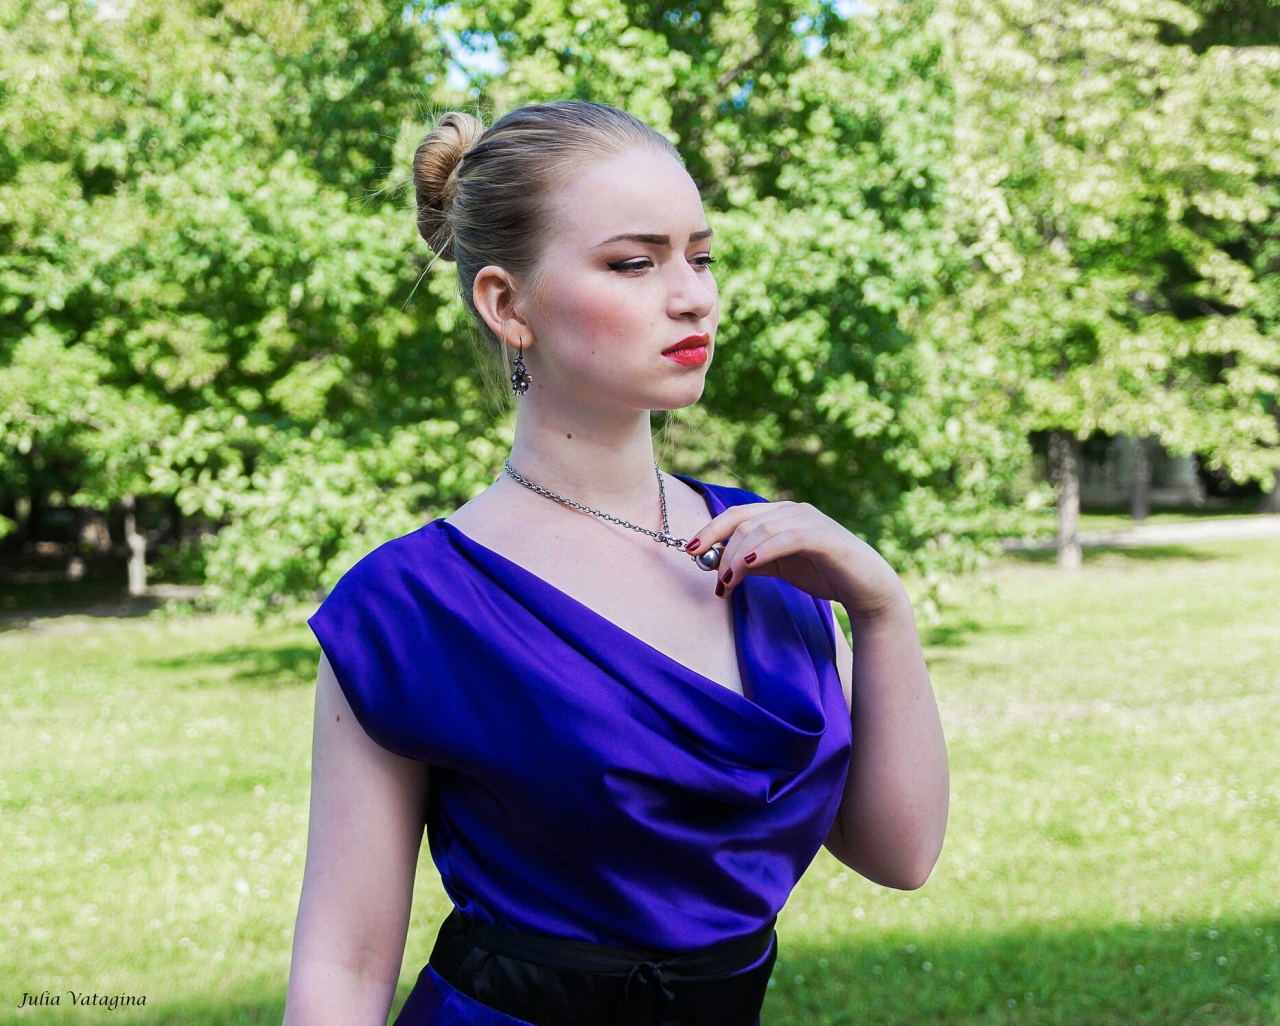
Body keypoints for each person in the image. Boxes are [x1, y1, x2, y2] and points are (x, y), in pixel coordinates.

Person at [282, 100, 949, 1026]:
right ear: (506, 304)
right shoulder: (410, 608)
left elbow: (900, 855)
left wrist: (880, 609)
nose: (693, 296)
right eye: (635, 263)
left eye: (701, 257)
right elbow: (345, 966)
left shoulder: (772, 550)